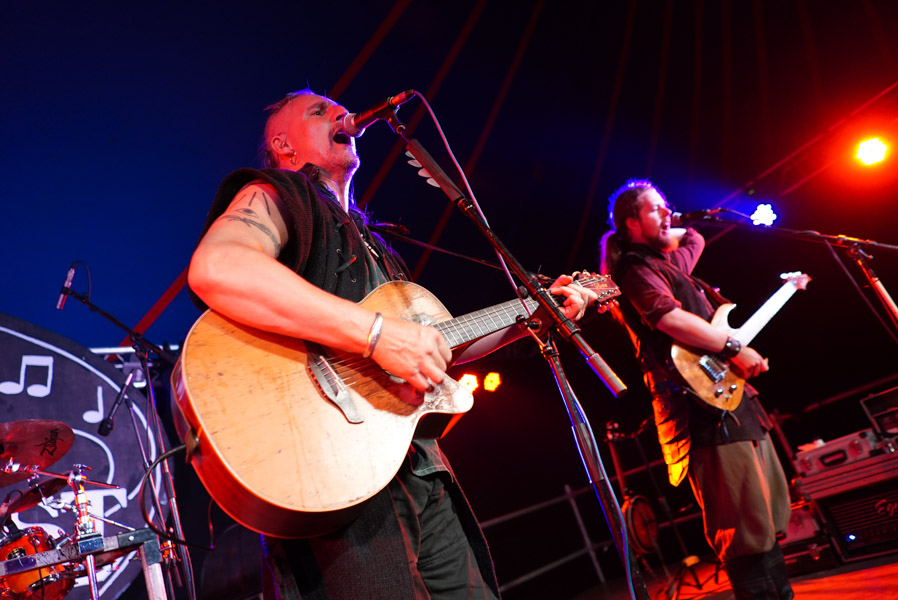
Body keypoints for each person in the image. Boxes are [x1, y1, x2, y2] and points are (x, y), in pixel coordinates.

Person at [186, 88, 598, 600]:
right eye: (319, 112)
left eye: (338, 107)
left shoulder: (374, 243)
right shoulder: (276, 193)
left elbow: (436, 345)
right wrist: (376, 334)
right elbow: (219, 267)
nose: (341, 113)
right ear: (283, 147)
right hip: (329, 468)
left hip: (414, 462)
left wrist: (530, 316)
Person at [598, 179, 793, 600]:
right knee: (744, 529)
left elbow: (694, 237)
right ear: (630, 224)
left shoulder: (667, 265)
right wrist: (734, 347)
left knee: (767, 519)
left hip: (731, 401)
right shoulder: (634, 267)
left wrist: (674, 222)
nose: (667, 212)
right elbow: (668, 320)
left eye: (668, 205)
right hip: (701, 410)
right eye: (655, 208)